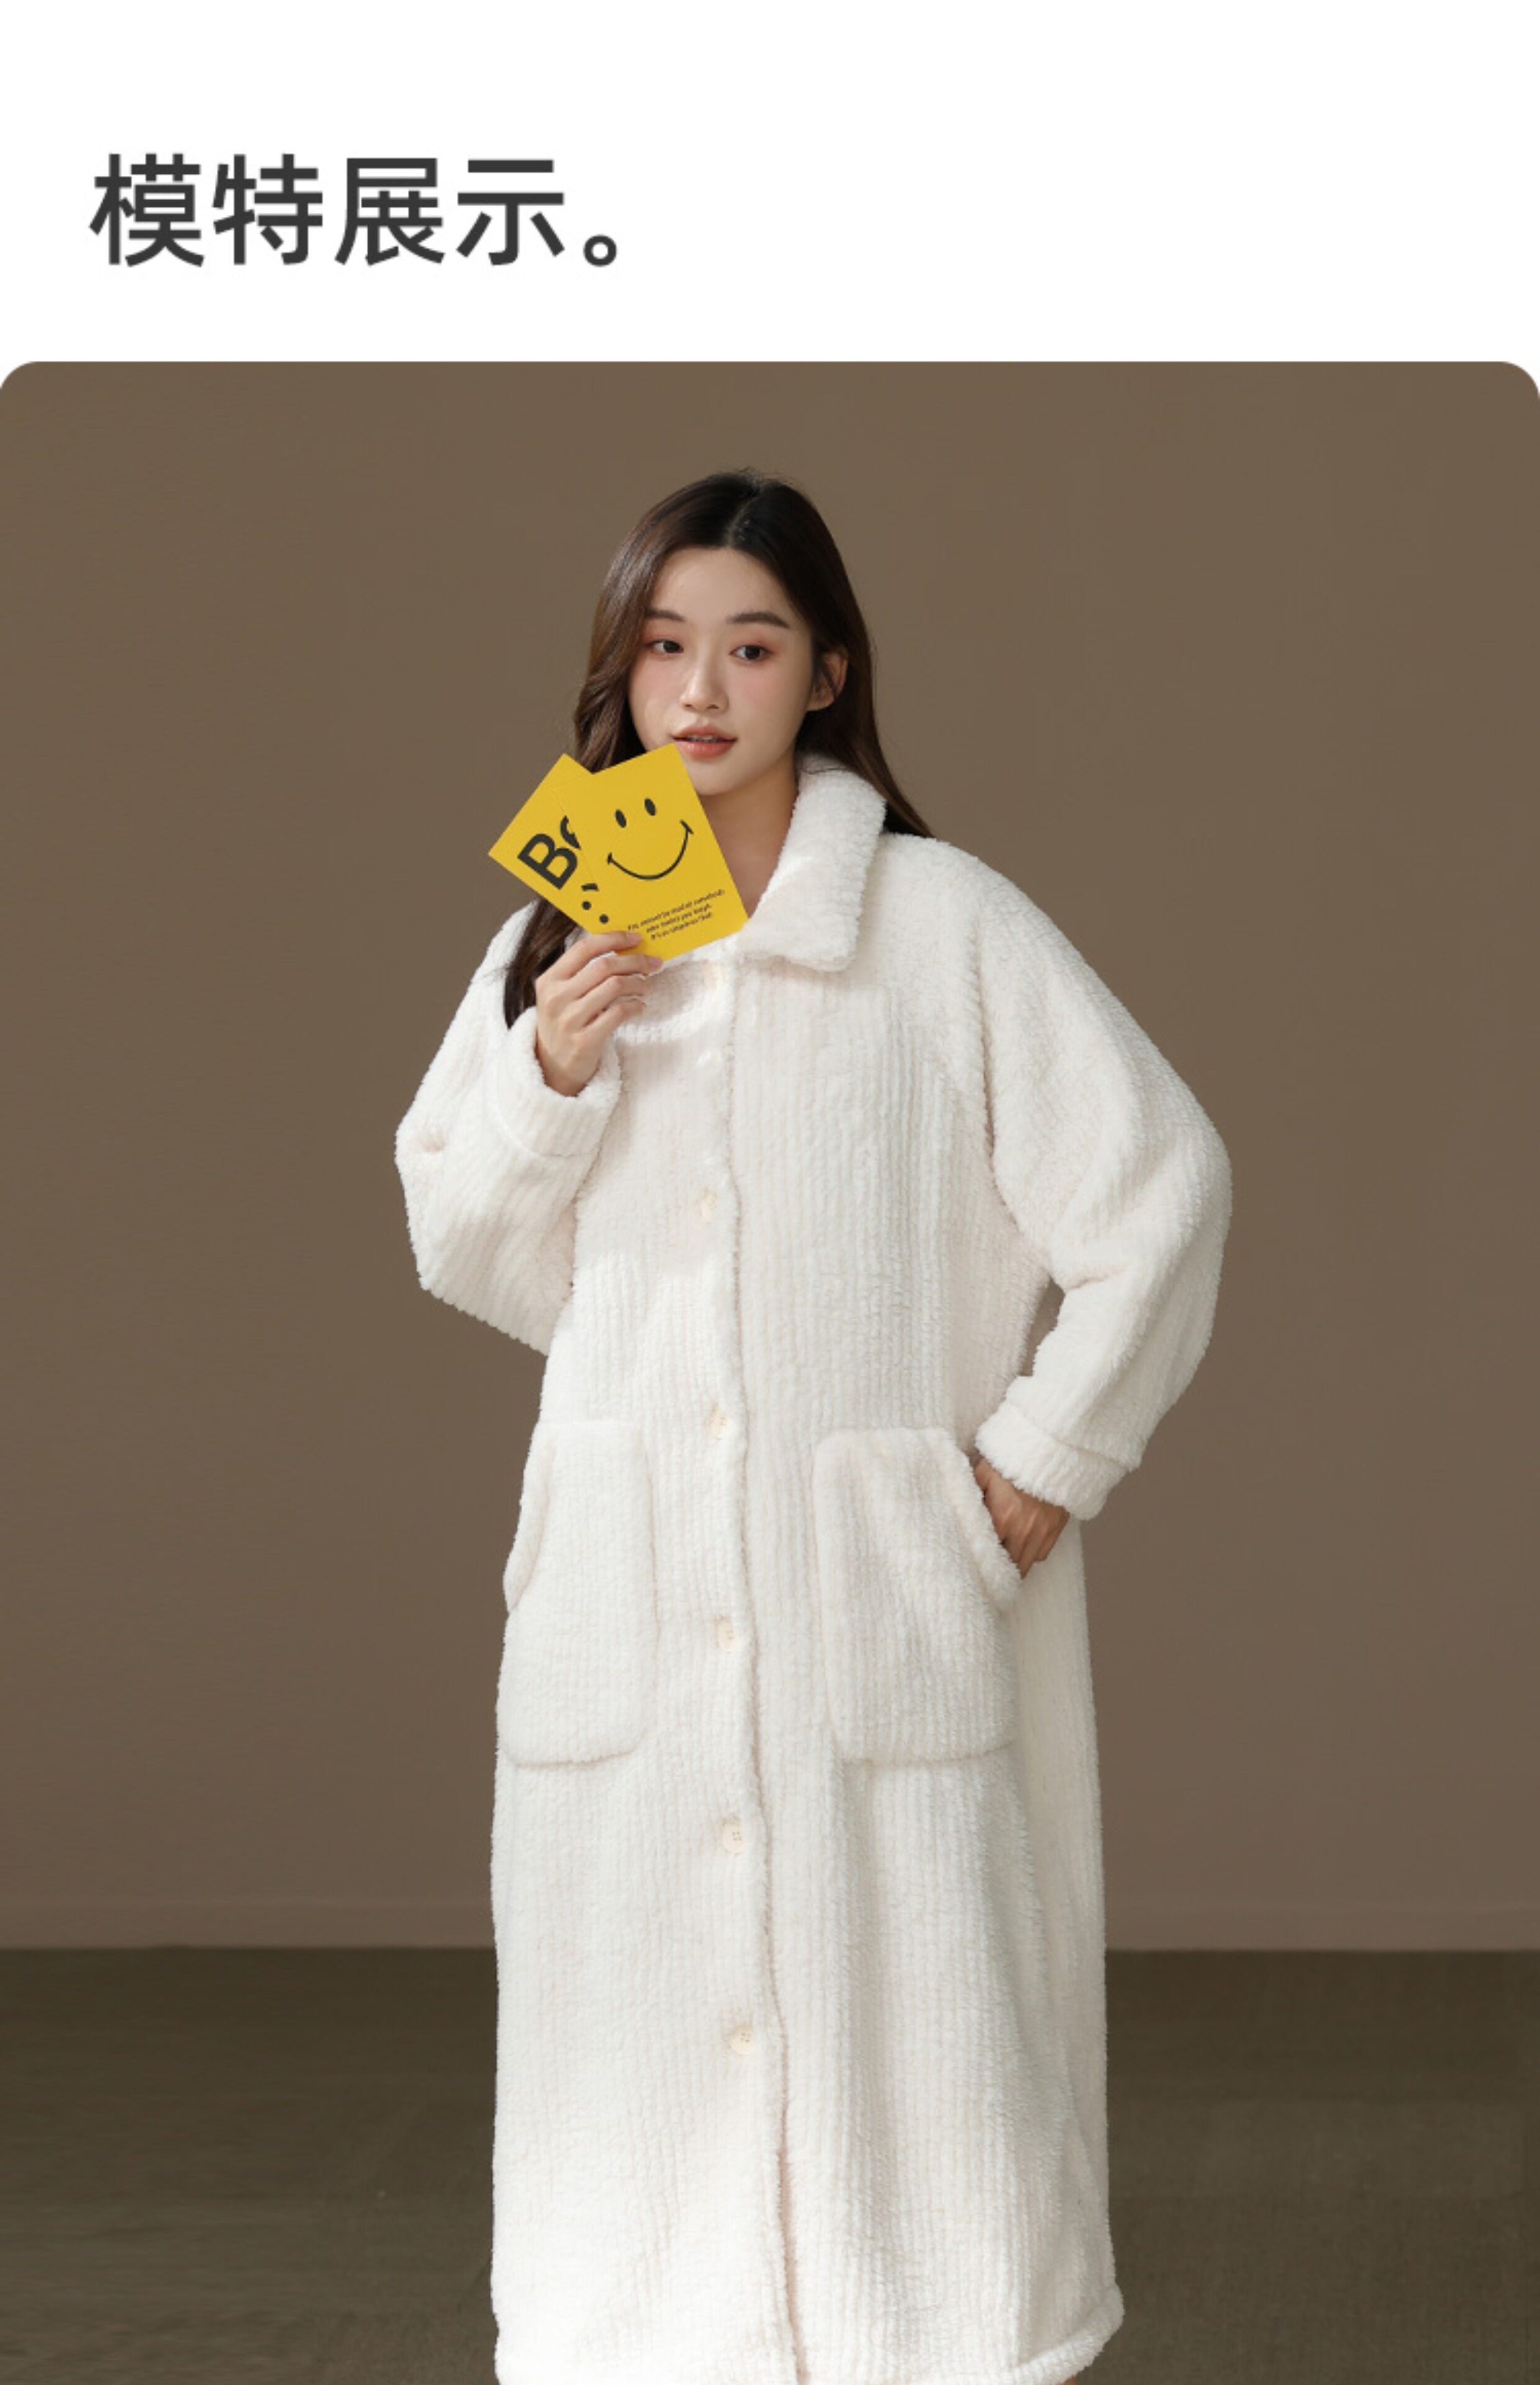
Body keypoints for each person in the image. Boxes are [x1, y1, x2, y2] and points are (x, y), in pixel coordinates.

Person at [393, 466, 1233, 2385]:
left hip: (878, 1605)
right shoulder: (563, 933)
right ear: (622, 675)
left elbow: (1164, 1187)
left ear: (828, 672)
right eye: (664, 647)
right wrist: (549, 1077)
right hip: (625, 1611)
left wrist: (1047, 1456)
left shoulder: (941, 925)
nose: (701, 690)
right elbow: (472, 1252)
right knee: (633, 2101)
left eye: (751, 646)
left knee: (919, 2078)